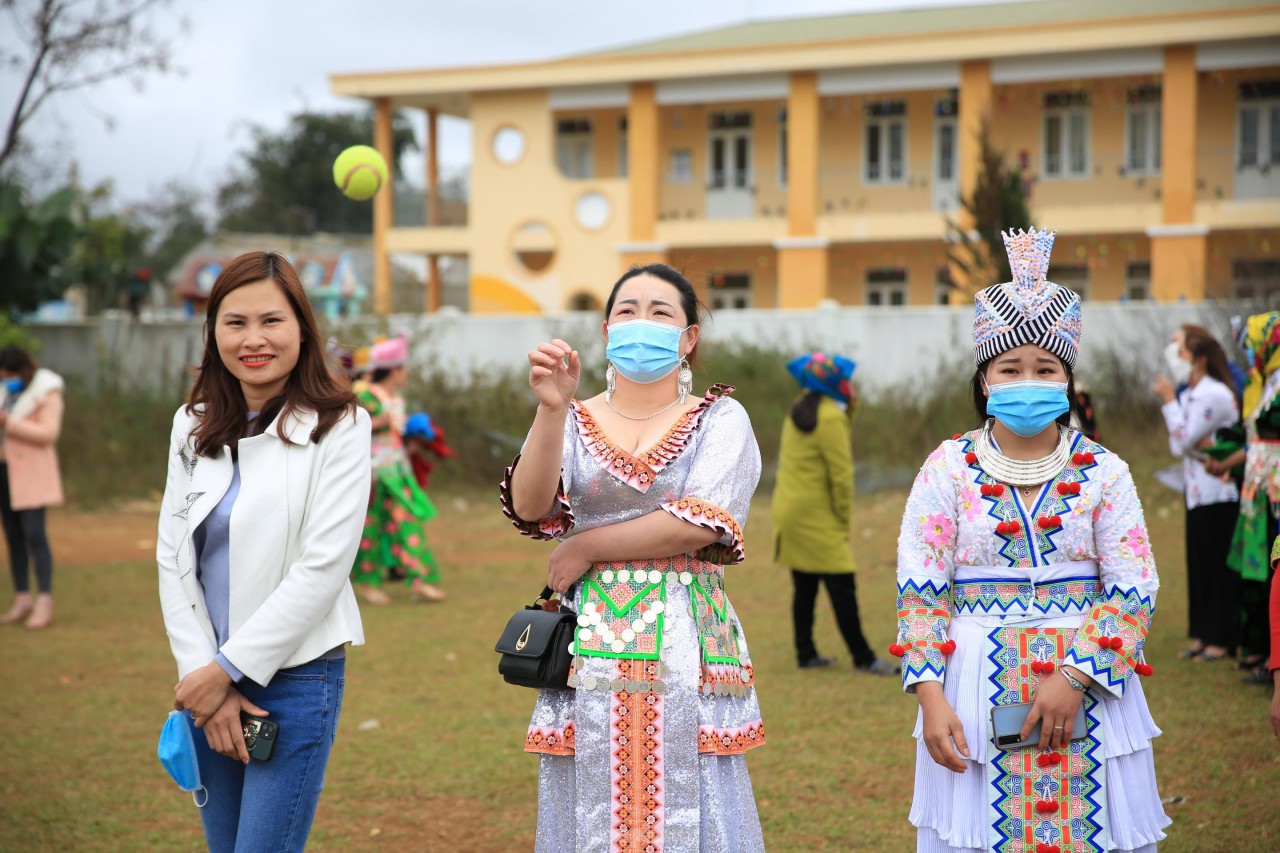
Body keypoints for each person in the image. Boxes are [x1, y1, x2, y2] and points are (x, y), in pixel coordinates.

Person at [894, 228, 1168, 852]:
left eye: (1044, 367)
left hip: (1092, 690)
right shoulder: (947, 467)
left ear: (1066, 380)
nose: (1027, 378)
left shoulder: (1105, 470)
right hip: (968, 685)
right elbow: (920, 588)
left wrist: (1075, 679)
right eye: (1009, 367)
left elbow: (1134, 587)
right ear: (985, 379)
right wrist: (930, 698)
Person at [501, 263, 765, 852]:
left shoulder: (721, 419)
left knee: (698, 795)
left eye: (661, 312)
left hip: (687, 639)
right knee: (589, 794)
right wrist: (549, 409)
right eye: (627, 311)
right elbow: (530, 504)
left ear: (689, 336)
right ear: (604, 329)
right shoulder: (570, 416)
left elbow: (696, 523)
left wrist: (587, 545)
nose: (641, 323)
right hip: (588, 644)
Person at [156, 251, 370, 853]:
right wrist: (204, 677)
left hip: (297, 678)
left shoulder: (342, 424)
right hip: (203, 681)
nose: (254, 339)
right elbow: (174, 557)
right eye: (235, 322)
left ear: (302, 327)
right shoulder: (190, 424)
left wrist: (228, 672)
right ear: (213, 332)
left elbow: (323, 567)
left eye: (271, 321)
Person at [772, 351, 896, 674]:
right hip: (818, 517)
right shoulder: (830, 416)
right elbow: (841, 476)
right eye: (844, 379)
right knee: (842, 583)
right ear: (834, 383)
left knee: (806, 585)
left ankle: (806, 653)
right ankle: (864, 658)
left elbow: (838, 430)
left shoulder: (799, 408)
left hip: (791, 512)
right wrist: (842, 521)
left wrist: (849, 406)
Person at [1154, 324, 1240, 662]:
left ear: (1199, 357)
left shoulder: (1214, 394)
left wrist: (1167, 403)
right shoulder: (1190, 394)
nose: (1173, 352)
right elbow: (1181, 444)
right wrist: (1187, 434)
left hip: (1219, 492)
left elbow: (1184, 439)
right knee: (1199, 563)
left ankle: (1222, 637)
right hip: (1196, 491)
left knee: (1218, 566)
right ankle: (1204, 634)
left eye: (1179, 345)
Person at [1211, 311, 1280, 683]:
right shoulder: (1267, 382)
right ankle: (1265, 654)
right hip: (1261, 487)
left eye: (1254, 344)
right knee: (1260, 570)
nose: (1251, 352)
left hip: (1275, 491)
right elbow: (1257, 439)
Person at [350, 335, 445, 604]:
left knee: (407, 522)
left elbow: (393, 435)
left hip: (397, 472)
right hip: (370, 474)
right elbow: (354, 427)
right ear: (393, 369)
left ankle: (418, 580)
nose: (407, 374)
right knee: (370, 528)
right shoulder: (365, 394)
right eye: (404, 368)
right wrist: (378, 421)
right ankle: (368, 583)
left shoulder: (397, 398)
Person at [0, 347, 65, 630]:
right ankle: (22, 597)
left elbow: (49, 434)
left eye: (8, 375)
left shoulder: (46, 391)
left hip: (32, 475)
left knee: (34, 536)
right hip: (5, 473)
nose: (5, 380)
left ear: (20, 371)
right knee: (13, 537)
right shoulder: (6, 393)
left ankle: (45, 600)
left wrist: (9, 422)